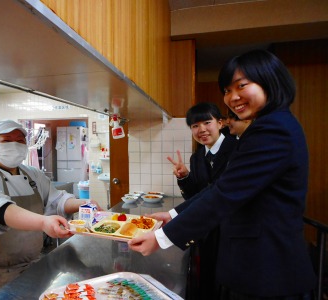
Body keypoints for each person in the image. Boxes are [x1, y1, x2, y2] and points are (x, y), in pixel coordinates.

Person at [129, 50, 316, 299]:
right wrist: (173, 214)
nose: (233, 97)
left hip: (270, 270)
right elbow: (220, 186)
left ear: (270, 81)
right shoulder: (267, 126)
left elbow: (226, 193)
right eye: (227, 90)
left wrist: (163, 237)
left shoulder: (273, 130)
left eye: (241, 86)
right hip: (256, 266)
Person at [0, 119, 102, 300]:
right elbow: (1, 211)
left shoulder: (32, 174)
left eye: (20, 140)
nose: (15, 144)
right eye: (6, 140)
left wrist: (84, 203)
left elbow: (57, 199)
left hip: (29, 269)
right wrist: (43, 221)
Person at [167, 102, 237, 299]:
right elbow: (195, 196)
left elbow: (221, 192)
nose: (202, 130)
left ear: (220, 123)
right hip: (207, 232)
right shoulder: (197, 157)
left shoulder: (236, 149)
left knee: (227, 284)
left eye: (207, 122)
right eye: (195, 126)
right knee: (207, 281)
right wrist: (184, 177)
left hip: (231, 231)